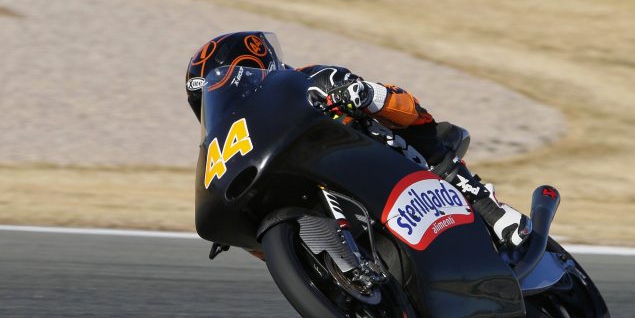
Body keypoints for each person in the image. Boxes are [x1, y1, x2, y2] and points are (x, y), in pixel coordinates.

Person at [185, 32, 530, 247]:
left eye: (239, 84)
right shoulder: (224, 149)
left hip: (376, 156)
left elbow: (402, 106)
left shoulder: (309, 78)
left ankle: (490, 208)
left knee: (407, 122)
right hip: (310, 178)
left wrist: (362, 94)